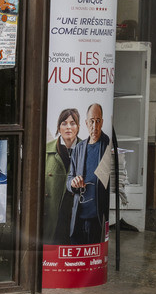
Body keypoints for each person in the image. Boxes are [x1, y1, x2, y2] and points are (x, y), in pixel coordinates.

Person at [67, 103, 114, 244]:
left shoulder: (107, 146)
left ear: (102, 122)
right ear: (86, 123)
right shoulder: (79, 148)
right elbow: (69, 179)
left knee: (94, 256)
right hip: (78, 216)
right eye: (91, 121)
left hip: (97, 217)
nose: (95, 126)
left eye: (98, 121)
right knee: (77, 258)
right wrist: (73, 183)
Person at [43, 108, 82, 242]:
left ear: (78, 127)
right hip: (52, 216)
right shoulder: (46, 150)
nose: (68, 127)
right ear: (59, 127)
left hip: (77, 215)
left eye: (72, 123)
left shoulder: (87, 150)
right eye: (64, 123)